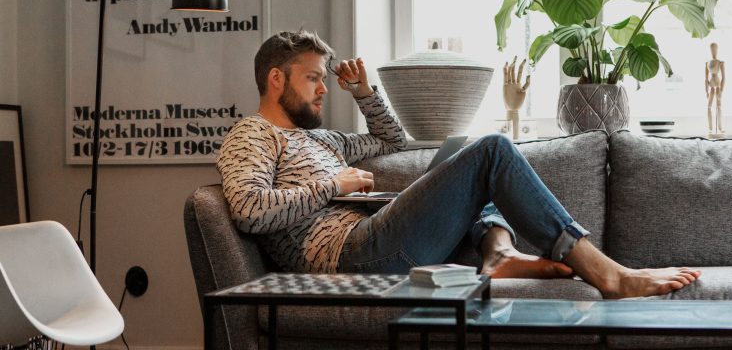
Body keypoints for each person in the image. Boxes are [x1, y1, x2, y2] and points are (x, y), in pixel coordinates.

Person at [217, 30, 701, 299]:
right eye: (313, 78)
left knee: (461, 154)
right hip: (349, 254)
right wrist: (332, 184)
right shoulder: (252, 134)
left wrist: (363, 93)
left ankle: (498, 254)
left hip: (372, 237)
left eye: (324, 79)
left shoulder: (319, 139)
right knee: (491, 151)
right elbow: (248, 210)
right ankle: (607, 274)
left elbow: (391, 141)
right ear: (276, 79)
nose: (323, 88)